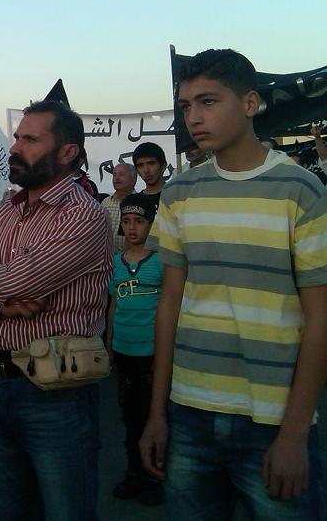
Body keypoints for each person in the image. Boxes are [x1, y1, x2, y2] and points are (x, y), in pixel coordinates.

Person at [140, 49, 327, 520]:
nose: (194, 117)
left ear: (249, 103)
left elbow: (320, 315)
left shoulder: (301, 190)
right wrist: (157, 412)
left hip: (272, 415)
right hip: (189, 411)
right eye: (187, 106)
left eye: (208, 102)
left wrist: (295, 433)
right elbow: (169, 303)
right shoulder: (179, 193)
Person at [0, 100, 113, 520]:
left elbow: (19, 281)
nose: (15, 148)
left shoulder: (84, 216)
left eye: (30, 140)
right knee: (11, 509)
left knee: (66, 510)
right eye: (17, 137)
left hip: (55, 391)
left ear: (67, 152)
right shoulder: (7, 210)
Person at [105, 194, 163, 506]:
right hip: (124, 352)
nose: (131, 227)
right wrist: (109, 347)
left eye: (138, 221)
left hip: (153, 355)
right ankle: (134, 473)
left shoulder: (161, 263)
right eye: (126, 221)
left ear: (150, 224)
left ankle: (156, 477)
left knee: (156, 416)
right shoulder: (115, 264)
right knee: (130, 418)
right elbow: (113, 306)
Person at [102, 162, 137, 253]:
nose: (116, 178)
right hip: (105, 256)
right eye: (114, 175)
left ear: (133, 179)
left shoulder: (141, 202)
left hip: (130, 257)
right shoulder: (105, 202)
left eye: (121, 174)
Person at [133, 141, 167, 209]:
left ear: (163, 166)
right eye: (140, 165)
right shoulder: (134, 202)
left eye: (151, 163)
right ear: (137, 171)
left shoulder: (178, 196)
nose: (146, 170)